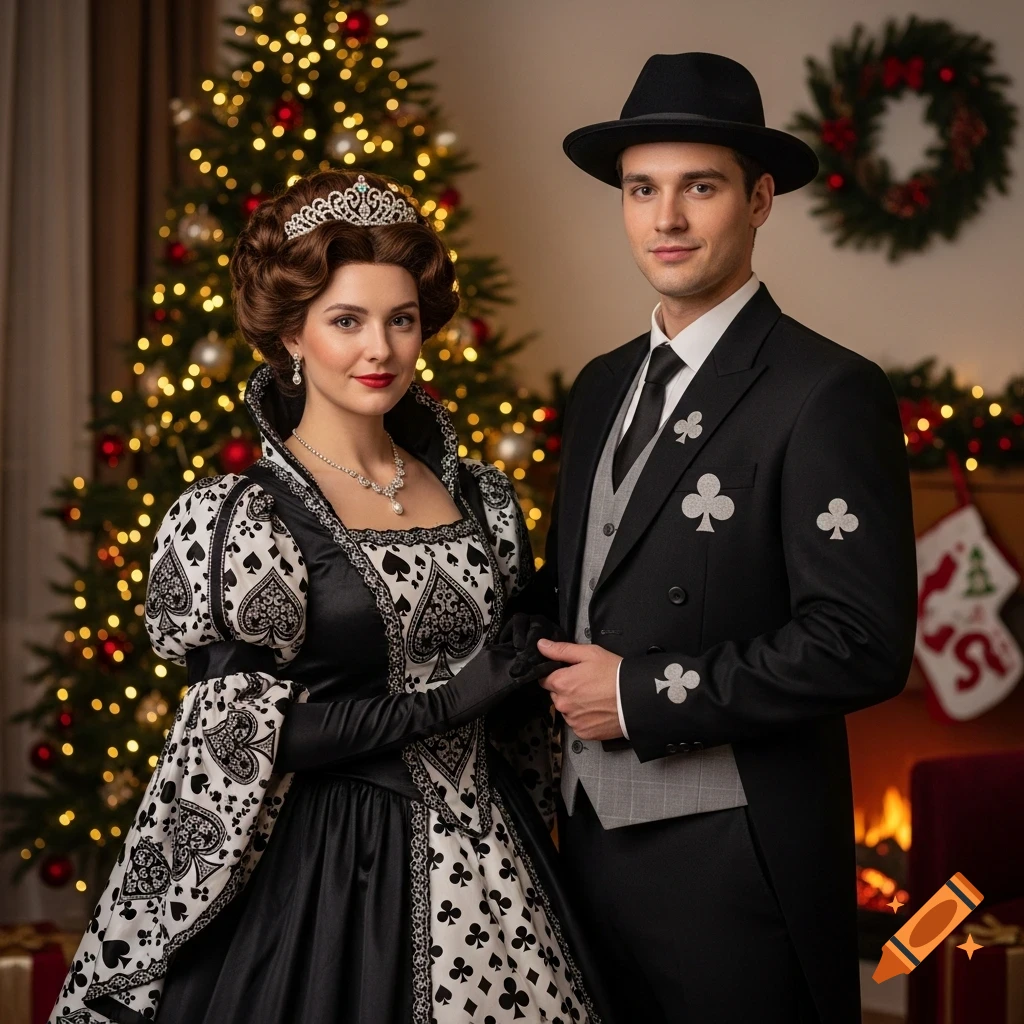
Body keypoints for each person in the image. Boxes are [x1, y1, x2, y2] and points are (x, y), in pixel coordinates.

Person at [49, 169, 608, 1024]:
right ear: (291, 336)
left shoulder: (484, 499)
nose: (379, 349)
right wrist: (450, 700)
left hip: (499, 861)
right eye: (346, 320)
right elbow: (247, 733)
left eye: (401, 319)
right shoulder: (243, 518)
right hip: (333, 869)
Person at [525, 52, 919, 1023]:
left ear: (760, 199)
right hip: (584, 844)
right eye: (641, 190)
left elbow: (860, 642)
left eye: (698, 187)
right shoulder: (601, 385)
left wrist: (639, 694)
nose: (665, 218)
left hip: (733, 861)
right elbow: (578, 591)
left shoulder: (825, 392)